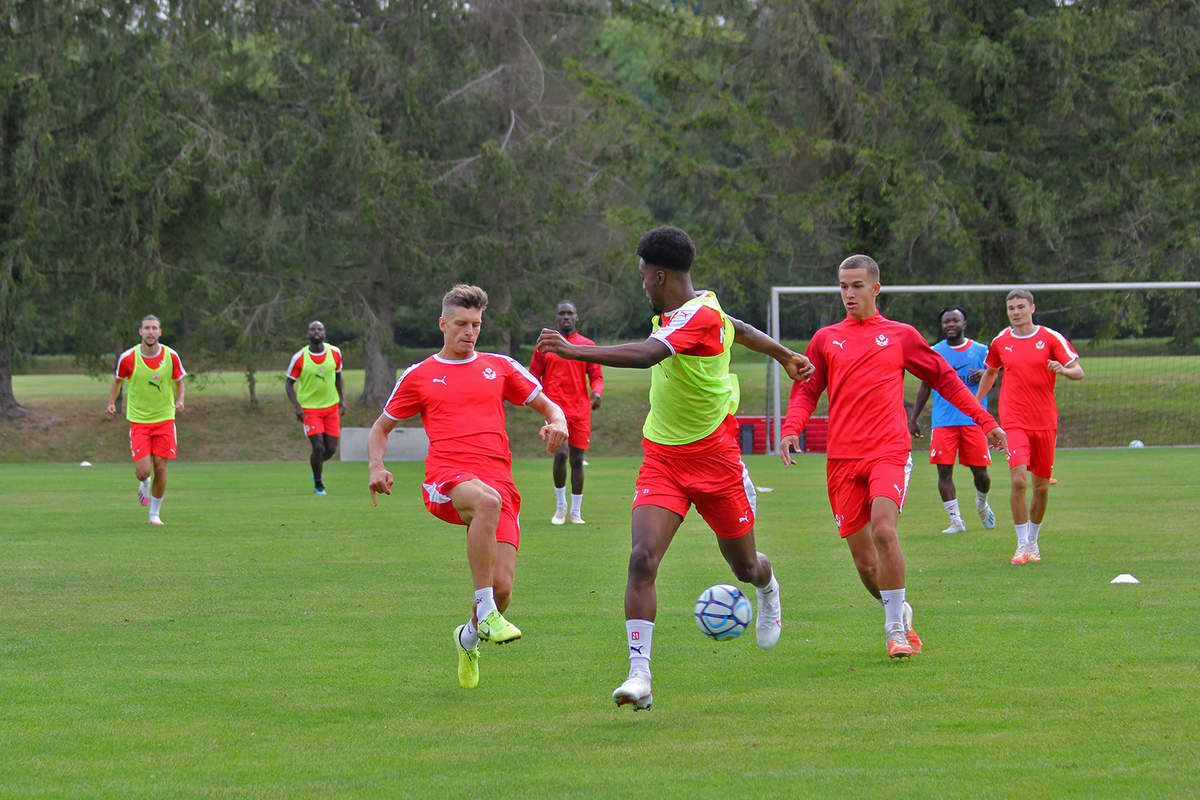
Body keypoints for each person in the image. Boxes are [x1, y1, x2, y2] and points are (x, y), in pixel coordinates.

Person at [537, 225, 812, 711]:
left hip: (716, 461)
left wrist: (574, 349)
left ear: (659, 275)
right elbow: (741, 328)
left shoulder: (696, 317)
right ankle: (639, 675)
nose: (642, 283)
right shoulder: (696, 309)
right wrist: (784, 353)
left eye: (644, 276)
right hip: (663, 457)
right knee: (642, 557)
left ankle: (768, 588)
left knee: (744, 566)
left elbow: (647, 355)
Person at [779, 256, 1006, 660]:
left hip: (888, 450)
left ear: (875, 288)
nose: (849, 294)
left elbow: (946, 381)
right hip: (843, 460)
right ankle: (899, 608)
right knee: (866, 565)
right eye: (843, 286)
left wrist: (986, 421)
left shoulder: (900, 336)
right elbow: (807, 390)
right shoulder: (826, 339)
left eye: (857, 286)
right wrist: (792, 427)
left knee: (884, 531)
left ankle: (895, 631)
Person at [367, 285, 568, 690]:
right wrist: (376, 466)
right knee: (485, 501)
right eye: (461, 324)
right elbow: (380, 428)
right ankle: (485, 608)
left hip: (500, 483)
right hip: (447, 478)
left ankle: (468, 636)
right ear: (443, 324)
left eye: (476, 324)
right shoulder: (419, 375)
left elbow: (548, 404)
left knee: (504, 587)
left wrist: (558, 422)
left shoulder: (500, 366)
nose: (469, 331)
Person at [975, 289, 1083, 565]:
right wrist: (976, 406)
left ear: (1032, 308)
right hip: (1014, 420)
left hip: (1045, 421)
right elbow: (990, 372)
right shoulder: (1001, 341)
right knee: (1019, 480)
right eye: (1011, 308)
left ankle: (1034, 540)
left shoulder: (1049, 338)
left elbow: (1078, 371)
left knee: (1042, 487)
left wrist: (1063, 370)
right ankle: (1022, 543)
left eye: (1020, 307)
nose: (1015, 312)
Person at [907, 306, 997, 534]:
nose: (950, 325)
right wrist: (914, 417)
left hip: (972, 420)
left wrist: (985, 376)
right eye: (946, 321)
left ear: (964, 323)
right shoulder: (934, 352)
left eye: (955, 321)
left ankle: (982, 504)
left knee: (981, 473)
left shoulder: (980, 350)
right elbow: (925, 385)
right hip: (943, 421)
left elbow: (995, 376)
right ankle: (956, 520)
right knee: (944, 473)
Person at [105, 315, 187, 526]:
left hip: (165, 420)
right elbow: (117, 382)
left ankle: (154, 514)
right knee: (143, 471)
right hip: (139, 421)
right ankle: (144, 483)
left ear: (160, 332)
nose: (151, 332)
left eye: (154, 328)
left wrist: (180, 400)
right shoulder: (128, 357)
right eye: (147, 328)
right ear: (140, 332)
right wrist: (111, 403)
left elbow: (179, 382)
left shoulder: (171, 356)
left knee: (160, 467)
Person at [528, 300, 604, 525]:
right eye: (562, 313)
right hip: (555, 411)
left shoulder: (587, 345)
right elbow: (533, 375)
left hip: (580, 410)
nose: (566, 317)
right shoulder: (545, 345)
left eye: (570, 313)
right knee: (560, 454)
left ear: (577, 317)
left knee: (577, 460)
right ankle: (560, 508)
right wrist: (538, 401)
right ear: (556, 317)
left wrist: (597, 393)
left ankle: (576, 511)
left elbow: (596, 376)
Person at [285, 320, 346, 495]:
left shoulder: (335, 353)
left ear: (324, 333)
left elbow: (338, 377)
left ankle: (316, 465)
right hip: (310, 409)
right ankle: (318, 484)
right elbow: (289, 384)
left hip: (331, 407)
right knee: (318, 447)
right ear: (308, 334)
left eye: (320, 329)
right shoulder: (299, 358)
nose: (316, 331)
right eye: (313, 329)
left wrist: (342, 400)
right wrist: (297, 407)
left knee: (331, 450)